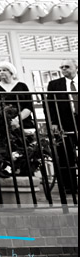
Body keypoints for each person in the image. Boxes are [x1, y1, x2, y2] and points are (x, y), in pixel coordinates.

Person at [45, 59, 78, 196]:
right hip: (65, 121)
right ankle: (70, 187)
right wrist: (53, 122)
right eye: (62, 67)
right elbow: (50, 106)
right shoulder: (54, 84)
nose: (64, 69)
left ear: (76, 67)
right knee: (65, 154)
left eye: (67, 67)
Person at [0, 61, 35, 129]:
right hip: (3, 123)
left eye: (4, 70)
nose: (1, 72)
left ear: (11, 72)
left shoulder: (22, 86)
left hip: (23, 121)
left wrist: (16, 120)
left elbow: (29, 106)